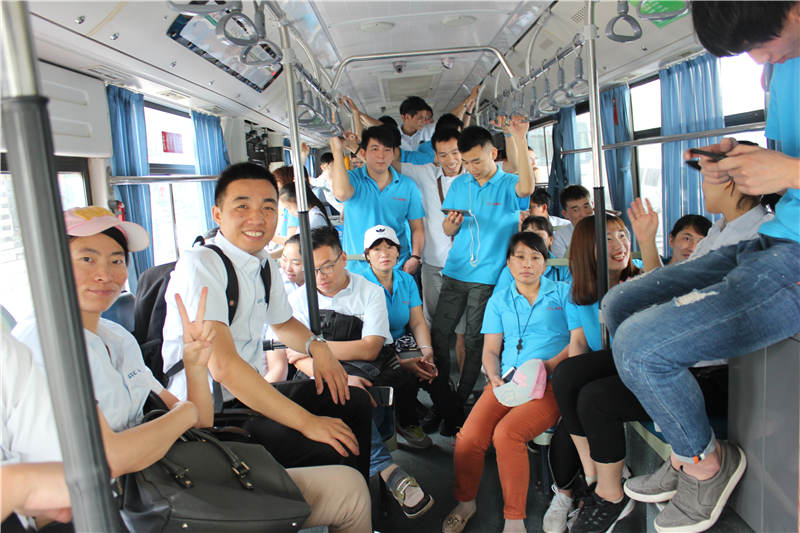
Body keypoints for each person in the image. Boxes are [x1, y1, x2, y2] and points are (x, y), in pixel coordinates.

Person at [601, 2, 800, 532]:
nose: (759, 60)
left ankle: (706, 465)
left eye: (761, 43)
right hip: (777, 237)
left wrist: (789, 171)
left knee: (640, 347)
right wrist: (738, 160)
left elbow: (792, 170)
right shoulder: (783, 65)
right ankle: (686, 444)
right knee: (618, 304)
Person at [160, 163, 373, 480]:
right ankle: (334, 495)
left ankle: (359, 496)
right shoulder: (201, 265)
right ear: (217, 214)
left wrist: (319, 349)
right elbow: (224, 367)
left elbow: (283, 324)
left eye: (268, 207)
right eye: (242, 206)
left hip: (248, 394)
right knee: (331, 446)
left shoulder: (263, 264)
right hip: (211, 410)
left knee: (354, 402)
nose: (257, 218)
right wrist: (307, 422)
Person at [286, 226, 434, 519]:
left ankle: (363, 484)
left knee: (351, 395)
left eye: (328, 266)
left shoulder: (369, 292)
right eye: (312, 270)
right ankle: (388, 471)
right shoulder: (298, 299)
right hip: (318, 374)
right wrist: (331, 371)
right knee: (345, 395)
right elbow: (295, 358)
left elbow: (370, 348)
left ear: (343, 258)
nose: (321, 276)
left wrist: (314, 347)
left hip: (367, 367)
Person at [442, 232, 570, 533]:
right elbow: (490, 350)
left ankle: (514, 519)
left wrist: (546, 366)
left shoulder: (563, 294)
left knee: (507, 435)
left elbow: (580, 340)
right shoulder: (499, 301)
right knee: (469, 438)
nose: (527, 264)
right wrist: (494, 377)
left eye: (535, 257)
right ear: (509, 263)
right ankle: (466, 502)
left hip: (549, 383)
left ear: (545, 263)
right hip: (508, 381)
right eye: (520, 257)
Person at [544, 214, 642, 533]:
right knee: (569, 392)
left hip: (632, 364)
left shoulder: (640, 280)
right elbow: (578, 343)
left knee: (586, 397)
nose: (620, 244)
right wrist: (568, 393)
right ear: (588, 248)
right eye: (608, 239)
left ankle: (590, 487)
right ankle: (590, 477)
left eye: (623, 235)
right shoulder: (579, 293)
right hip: (602, 366)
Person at [432, 117, 534, 408]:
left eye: (476, 161)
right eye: (466, 162)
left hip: (488, 276)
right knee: (439, 333)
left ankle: (461, 398)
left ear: (493, 153)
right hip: (456, 271)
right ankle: (442, 394)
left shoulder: (508, 184)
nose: (471, 168)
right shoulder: (459, 185)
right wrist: (451, 225)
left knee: (475, 339)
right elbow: (447, 229)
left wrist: (519, 137)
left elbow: (527, 188)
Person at [361, 224, 464, 448]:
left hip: (401, 340)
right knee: (406, 375)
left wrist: (426, 351)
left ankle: (456, 425)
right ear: (367, 255)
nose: (384, 254)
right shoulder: (360, 283)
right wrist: (403, 361)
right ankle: (407, 422)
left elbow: (417, 321)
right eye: (376, 249)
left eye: (390, 247)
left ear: (398, 252)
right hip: (375, 347)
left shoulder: (406, 280)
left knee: (433, 370)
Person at [329, 125, 426, 276]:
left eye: (387, 150)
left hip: (397, 267)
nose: (381, 156)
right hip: (358, 269)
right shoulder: (353, 179)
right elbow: (341, 194)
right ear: (363, 153)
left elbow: (417, 227)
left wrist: (415, 257)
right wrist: (337, 151)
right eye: (375, 149)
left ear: (393, 154)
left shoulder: (408, 186)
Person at [494, 215, 572, 293]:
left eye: (539, 236)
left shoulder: (563, 268)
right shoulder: (511, 269)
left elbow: (570, 297)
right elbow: (500, 298)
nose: (532, 241)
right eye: (527, 236)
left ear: (551, 240)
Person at [550, 185, 594, 258]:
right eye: (575, 210)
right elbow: (562, 264)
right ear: (565, 214)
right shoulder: (560, 237)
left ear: (592, 205)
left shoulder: (606, 228)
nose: (583, 214)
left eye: (586, 207)